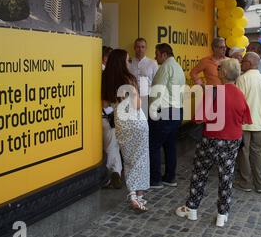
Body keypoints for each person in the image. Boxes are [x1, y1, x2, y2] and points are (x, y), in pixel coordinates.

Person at [175, 59, 252, 227]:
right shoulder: (240, 94)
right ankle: (222, 215)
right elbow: (245, 119)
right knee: (226, 176)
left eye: (219, 69)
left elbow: (198, 118)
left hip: (211, 139)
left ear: (223, 73)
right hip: (232, 140)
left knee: (199, 173)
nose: (217, 70)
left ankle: (192, 209)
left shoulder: (214, 92)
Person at [101, 49, 150, 212]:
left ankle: (133, 195)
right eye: (128, 60)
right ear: (122, 62)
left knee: (128, 159)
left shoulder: (106, 79)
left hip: (121, 123)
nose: (129, 63)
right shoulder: (130, 79)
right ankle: (139, 196)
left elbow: (104, 105)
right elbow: (136, 105)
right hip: (136, 121)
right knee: (141, 159)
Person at [149, 43, 186, 188]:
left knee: (154, 145)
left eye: (157, 54)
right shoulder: (178, 67)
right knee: (170, 145)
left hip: (164, 111)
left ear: (164, 54)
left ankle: (155, 179)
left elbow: (157, 91)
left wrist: (151, 110)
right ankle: (170, 177)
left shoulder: (165, 67)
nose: (155, 57)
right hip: (177, 110)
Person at [234, 52, 261, 193]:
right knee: (257, 153)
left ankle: (246, 182)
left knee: (244, 152)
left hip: (244, 123)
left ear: (249, 63)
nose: (241, 64)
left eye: (243, 61)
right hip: (259, 122)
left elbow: (238, 103)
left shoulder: (242, 79)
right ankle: (260, 184)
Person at [101, 46, 122, 189]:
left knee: (111, 146)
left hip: (105, 116)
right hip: (107, 115)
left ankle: (115, 173)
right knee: (111, 146)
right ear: (106, 59)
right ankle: (114, 172)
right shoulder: (105, 74)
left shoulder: (103, 73)